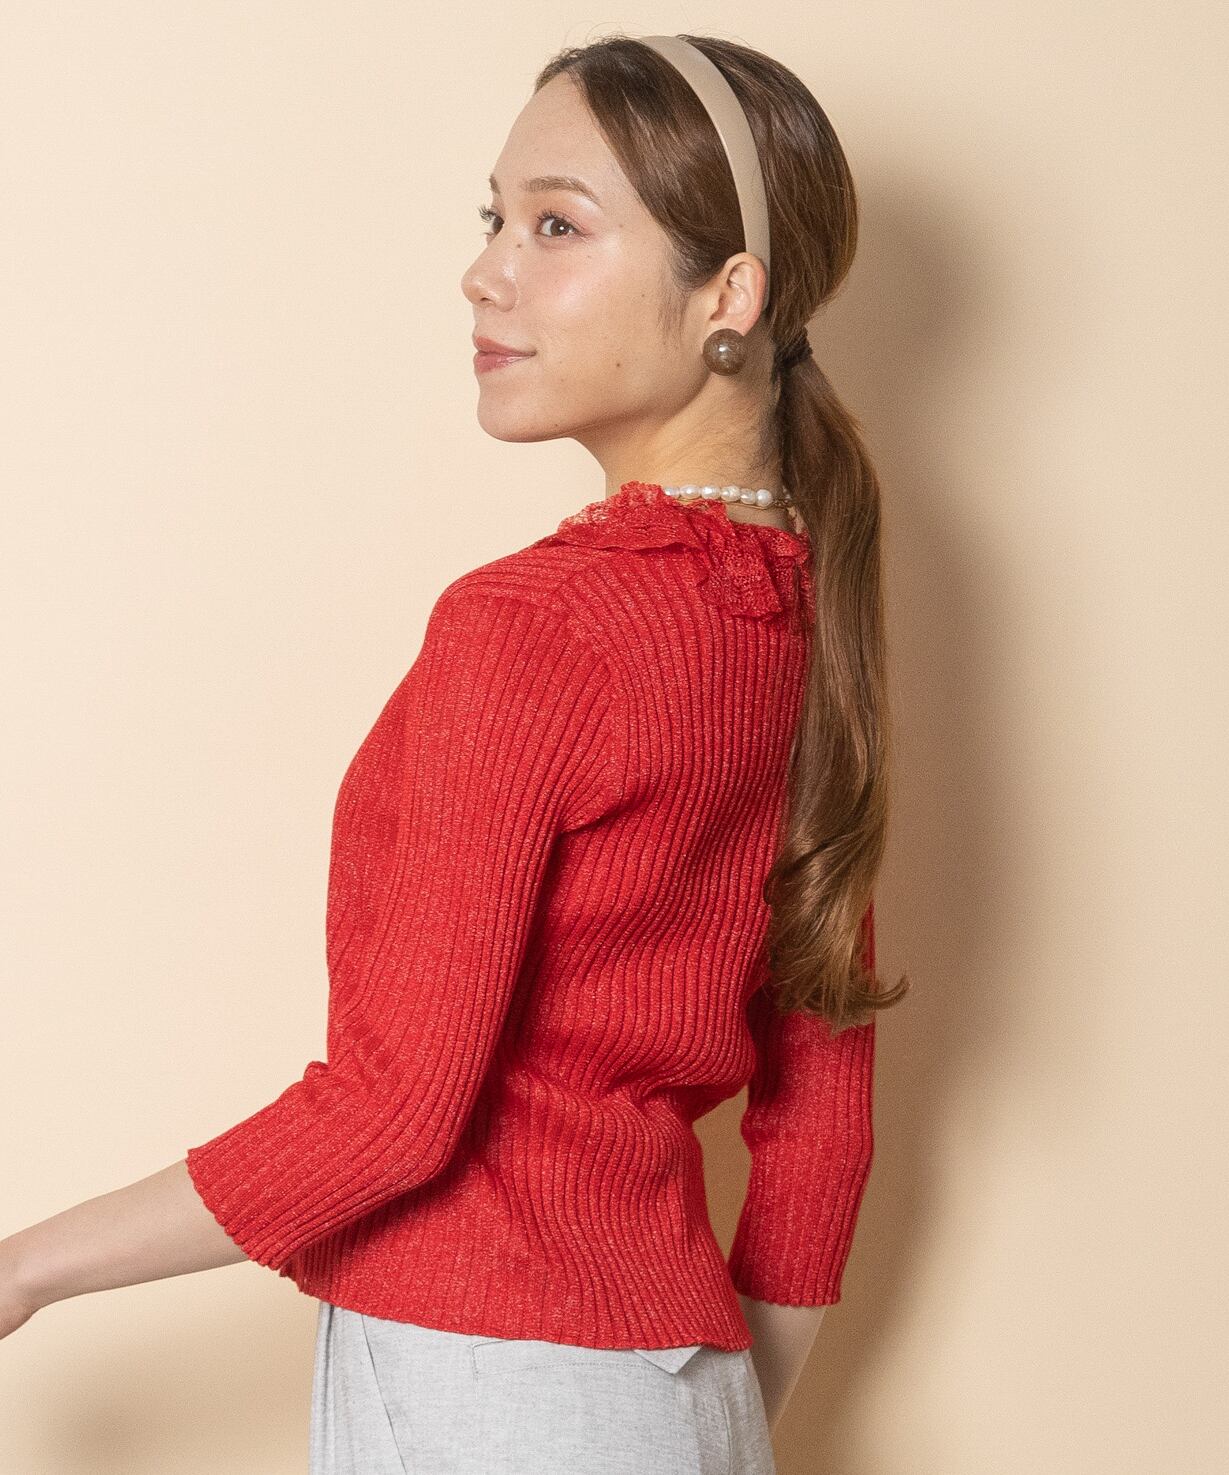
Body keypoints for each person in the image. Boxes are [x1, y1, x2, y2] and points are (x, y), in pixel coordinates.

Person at [0, 31, 909, 1474]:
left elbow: (389, 1117)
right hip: (687, 1386)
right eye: (494, 218)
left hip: (485, 1380)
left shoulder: (537, 627)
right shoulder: (803, 615)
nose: (486, 274)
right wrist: (709, 1431)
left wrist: (25, 1268)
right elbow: (823, 1127)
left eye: (558, 225)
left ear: (728, 294)